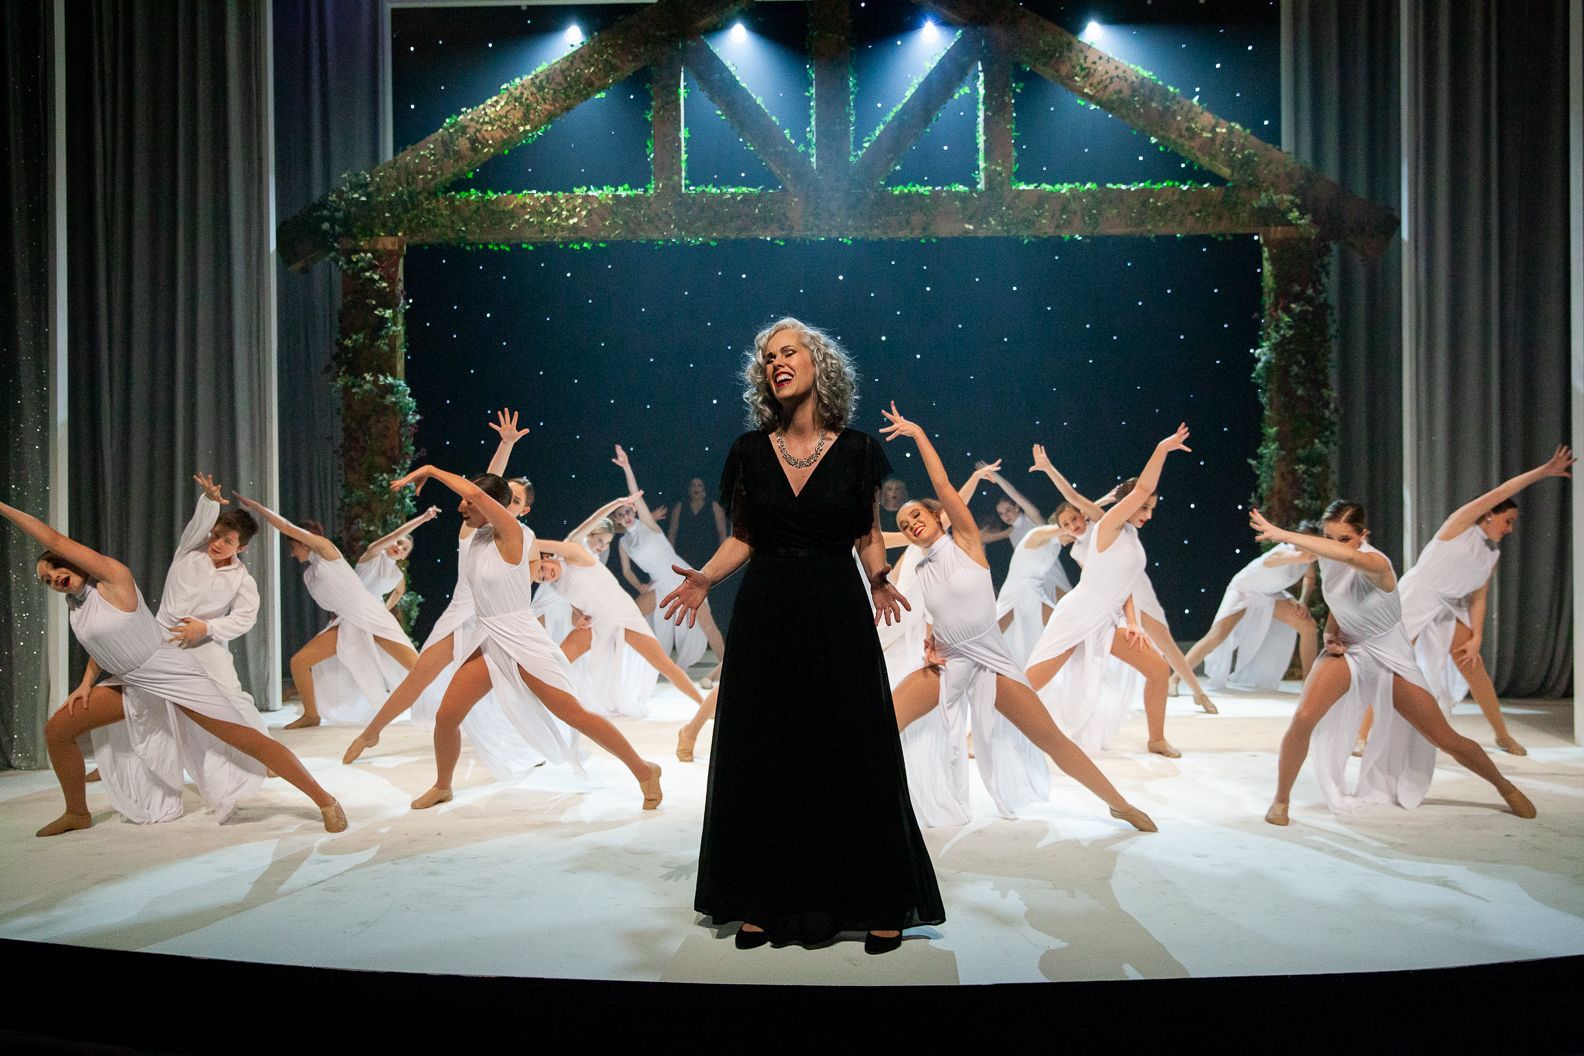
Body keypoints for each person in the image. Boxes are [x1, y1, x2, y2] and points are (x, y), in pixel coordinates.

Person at [660, 317, 943, 955]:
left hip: (837, 605)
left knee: (853, 745)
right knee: (765, 746)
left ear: (820, 364)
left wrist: (879, 578)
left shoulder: (861, 450)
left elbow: (867, 529)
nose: (776, 363)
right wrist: (704, 577)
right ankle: (763, 895)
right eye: (767, 358)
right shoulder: (748, 451)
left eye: (788, 352)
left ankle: (878, 899)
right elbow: (744, 536)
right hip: (766, 608)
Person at [881, 403, 1157, 832]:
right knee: (881, 725)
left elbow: (941, 482)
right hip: (949, 662)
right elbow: (939, 611)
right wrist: (932, 640)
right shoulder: (919, 566)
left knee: (1050, 738)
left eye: (917, 514)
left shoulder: (968, 541)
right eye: (903, 520)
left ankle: (1118, 803)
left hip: (992, 660)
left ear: (939, 516)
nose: (911, 521)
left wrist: (917, 434)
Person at [4, 496, 345, 836]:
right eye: (46, 580)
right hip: (131, 680)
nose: (53, 577)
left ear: (73, 560)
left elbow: (54, 540)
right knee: (58, 730)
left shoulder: (112, 577)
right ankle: (77, 813)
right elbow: (105, 643)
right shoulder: (76, 604)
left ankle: (324, 799)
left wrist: (3, 508)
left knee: (243, 736)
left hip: (171, 670)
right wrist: (86, 683)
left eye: (56, 567)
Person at [388, 466, 662, 812]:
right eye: (462, 503)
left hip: (521, 638)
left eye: (468, 504)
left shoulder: (513, 533)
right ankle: (443, 785)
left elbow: (477, 494)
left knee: (572, 713)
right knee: (447, 716)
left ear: (489, 507)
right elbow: (477, 490)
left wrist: (429, 470)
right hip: (488, 637)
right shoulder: (474, 536)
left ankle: (644, 770)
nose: (461, 507)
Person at [1250, 503, 1536, 825]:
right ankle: (1281, 801)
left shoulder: (1377, 563)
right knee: (1303, 717)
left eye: (1343, 538)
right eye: (1328, 537)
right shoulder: (1331, 557)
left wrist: (1281, 533)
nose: (1333, 545)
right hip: (1353, 650)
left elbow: (1351, 560)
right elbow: (1340, 601)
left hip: (1390, 655)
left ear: (1362, 536)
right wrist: (1331, 633)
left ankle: (1505, 786)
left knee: (1443, 736)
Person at [343, 408, 537, 770]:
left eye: (512, 500)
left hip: (493, 619)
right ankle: (373, 730)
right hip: (461, 610)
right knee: (420, 675)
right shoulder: (472, 528)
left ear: (521, 510)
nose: (498, 502)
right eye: (499, 497)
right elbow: (485, 486)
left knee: (509, 686)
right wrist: (505, 444)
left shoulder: (517, 537)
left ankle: (531, 737)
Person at [1025, 427, 1192, 757]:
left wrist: (1133, 622)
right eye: (1142, 507)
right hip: (1081, 613)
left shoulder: (1129, 535)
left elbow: (1125, 587)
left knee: (1158, 670)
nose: (1147, 514)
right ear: (1127, 504)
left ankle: (1156, 739)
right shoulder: (1109, 523)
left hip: (1107, 617)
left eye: (1151, 509)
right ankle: (980, 731)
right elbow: (1086, 497)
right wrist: (1161, 447)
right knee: (1033, 680)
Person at [1397, 445, 1574, 755]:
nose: (1510, 529)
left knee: (1472, 663)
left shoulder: (1492, 553)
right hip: (1416, 596)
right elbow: (1504, 489)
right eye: (1507, 521)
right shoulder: (1461, 524)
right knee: (1393, 662)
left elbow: (1478, 598)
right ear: (1489, 515)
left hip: (1448, 607)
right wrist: (1544, 471)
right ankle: (1362, 734)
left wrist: (1477, 636)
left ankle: (1502, 734)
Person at [536, 496, 708, 722]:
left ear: (546, 557)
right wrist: (578, 617)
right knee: (557, 662)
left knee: (663, 663)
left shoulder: (574, 551)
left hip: (621, 614)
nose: (546, 575)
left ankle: (705, 707)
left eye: (543, 569)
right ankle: (543, 713)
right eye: (541, 577)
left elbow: (590, 521)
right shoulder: (555, 584)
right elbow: (577, 600)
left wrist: (618, 503)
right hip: (596, 620)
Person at [259, 500, 426, 728]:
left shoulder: (395, 574)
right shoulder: (370, 558)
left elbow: (398, 592)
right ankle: (311, 714)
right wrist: (421, 519)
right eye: (397, 543)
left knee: (419, 667)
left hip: (371, 615)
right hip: (350, 618)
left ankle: (454, 703)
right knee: (299, 661)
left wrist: (383, 611)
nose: (399, 547)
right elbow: (390, 537)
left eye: (404, 548)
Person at [612, 446, 727, 685]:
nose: (626, 517)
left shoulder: (648, 525)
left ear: (632, 509)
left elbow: (636, 494)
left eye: (627, 511)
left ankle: (726, 668)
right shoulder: (623, 542)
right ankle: (618, 668)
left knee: (707, 624)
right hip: (659, 584)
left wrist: (627, 467)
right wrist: (640, 585)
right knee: (628, 618)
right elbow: (625, 571)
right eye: (620, 516)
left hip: (682, 577)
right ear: (616, 520)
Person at [1180, 531, 1319, 693]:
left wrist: (1302, 601)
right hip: (1244, 590)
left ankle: (1309, 686)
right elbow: (1307, 557)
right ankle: (1175, 677)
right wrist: (1328, 550)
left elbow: (1310, 577)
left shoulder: (1307, 558)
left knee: (1308, 626)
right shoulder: (1282, 553)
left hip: (1270, 594)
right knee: (1216, 636)